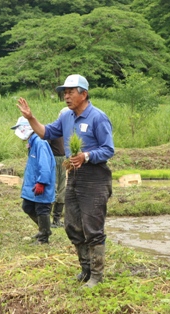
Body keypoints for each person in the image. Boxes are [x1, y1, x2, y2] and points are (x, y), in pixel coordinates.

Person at [16, 74, 114, 288]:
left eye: (71, 92)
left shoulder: (98, 117)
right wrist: (31, 118)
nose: (66, 96)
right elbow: (46, 133)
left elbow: (108, 149)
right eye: (65, 92)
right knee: (71, 224)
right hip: (74, 176)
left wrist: (86, 156)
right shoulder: (66, 117)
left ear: (84, 94)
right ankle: (85, 269)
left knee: (93, 227)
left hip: (95, 177)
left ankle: (97, 275)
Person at [11, 116, 56, 244]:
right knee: (28, 206)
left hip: (41, 184)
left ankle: (44, 236)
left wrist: (42, 182)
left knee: (42, 209)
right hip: (32, 184)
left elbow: (45, 166)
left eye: (20, 129)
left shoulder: (40, 143)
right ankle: (44, 229)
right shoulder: (33, 142)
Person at [49, 106, 69, 228]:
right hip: (54, 160)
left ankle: (57, 219)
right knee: (54, 188)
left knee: (63, 189)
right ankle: (48, 219)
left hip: (64, 160)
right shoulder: (54, 130)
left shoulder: (70, 131)